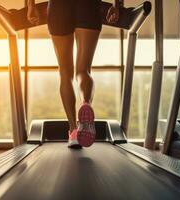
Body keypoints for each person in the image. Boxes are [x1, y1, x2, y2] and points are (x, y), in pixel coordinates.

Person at [27, 0, 119, 148]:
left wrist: (31, 6)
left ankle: (73, 130)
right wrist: (117, 5)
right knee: (83, 70)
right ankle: (86, 103)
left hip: (58, 6)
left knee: (65, 73)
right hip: (88, 5)